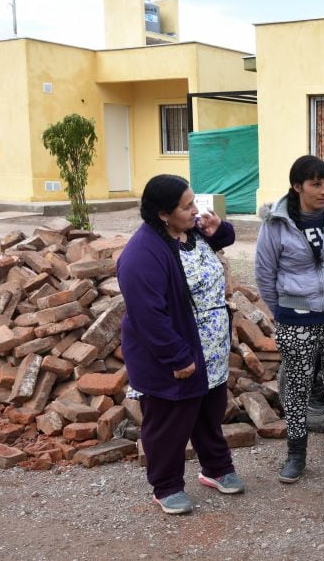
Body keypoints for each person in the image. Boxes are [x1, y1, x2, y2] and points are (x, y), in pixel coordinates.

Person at [118, 174, 245, 515]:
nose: (195, 209)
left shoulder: (191, 231)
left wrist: (219, 229)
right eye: (187, 206)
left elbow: (224, 239)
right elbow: (149, 314)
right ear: (163, 214)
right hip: (175, 350)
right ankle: (167, 485)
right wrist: (176, 355)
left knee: (208, 412)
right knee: (169, 421)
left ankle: (215, 468)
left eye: (194, 201)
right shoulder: (143, 253)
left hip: (211, 346)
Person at [255, 154, 324, 483]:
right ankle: (295, 456)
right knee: (297, 387)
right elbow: (264, 275)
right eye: (316, 184)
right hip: (296, 320)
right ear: (297, 186)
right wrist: (288, 310)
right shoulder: (275, 223)